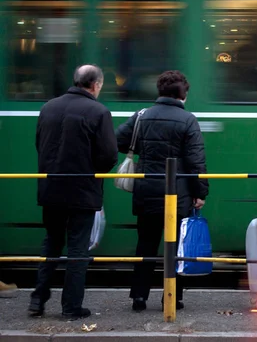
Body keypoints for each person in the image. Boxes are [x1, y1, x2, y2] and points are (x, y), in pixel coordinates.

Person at [30, 64, 118, 320]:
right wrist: (93, 171)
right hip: (82, 191)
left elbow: (40, 144)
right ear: (96, 85)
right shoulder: (99, 111)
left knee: (51, 243)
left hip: (51, 188)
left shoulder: (49, 107)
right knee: (78, 249)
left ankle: (37, 300)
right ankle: (71, 307)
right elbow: (109, 155)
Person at [116, 70, 209, 312]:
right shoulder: (188, 120)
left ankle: (139, 296)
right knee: (175, 246)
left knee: (145, 244)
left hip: (146, 191)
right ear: (183, 94)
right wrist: (201, 193)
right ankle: (173, 298)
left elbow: (118, 140)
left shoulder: (142, 115)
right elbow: (196, 162)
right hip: (178, 195)